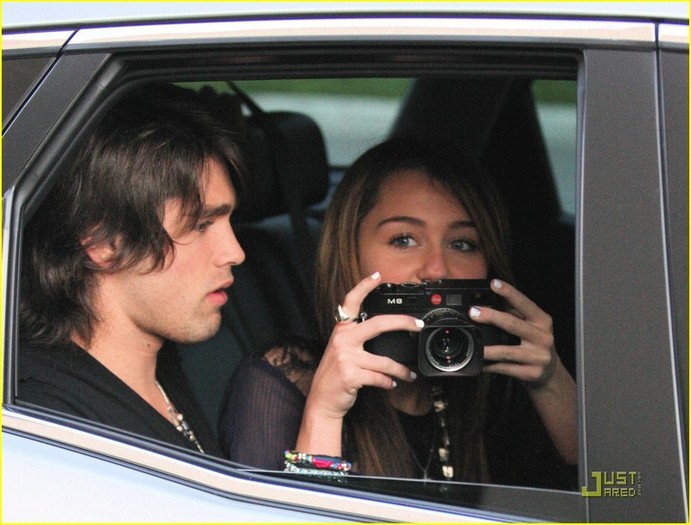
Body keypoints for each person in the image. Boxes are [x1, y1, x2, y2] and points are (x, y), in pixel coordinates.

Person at [220, 138, 577, 486]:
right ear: (350, 252)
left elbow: (619, 495)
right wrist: (325, 414)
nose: (437, 269)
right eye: (404, 239)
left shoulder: (498, 377)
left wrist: (551, 382)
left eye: (463, 243)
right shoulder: (281, 384)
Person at [18, 84, 246, 457]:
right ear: (104, 243)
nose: (234, 252)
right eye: (201, 225)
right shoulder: (57, 427)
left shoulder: (160, 371)